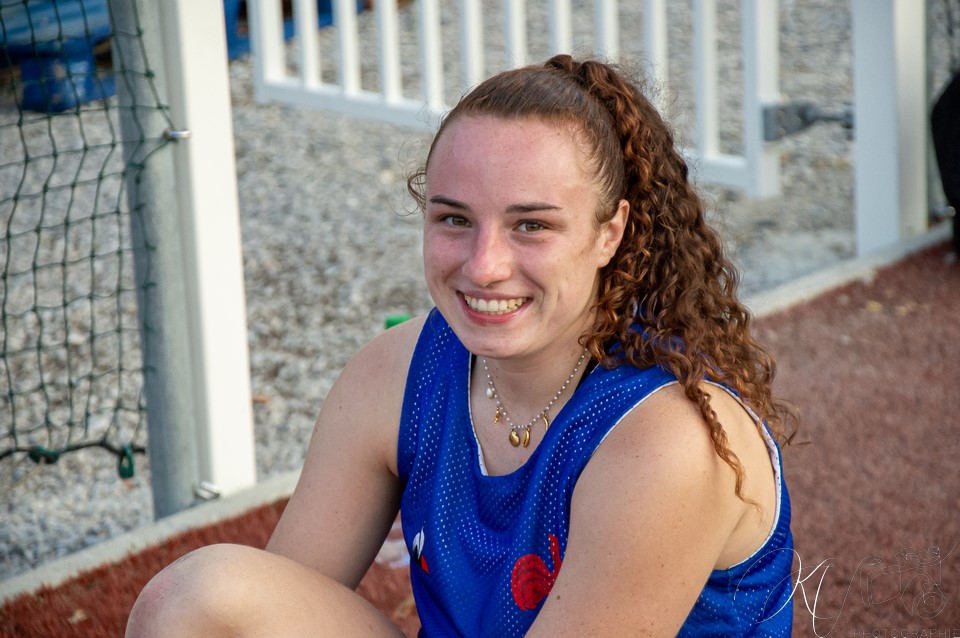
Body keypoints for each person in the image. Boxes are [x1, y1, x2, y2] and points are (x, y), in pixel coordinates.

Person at [126, 54, 797, 637]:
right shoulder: (398, 374)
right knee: (195, 602)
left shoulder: (665, 441)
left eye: (530, 225)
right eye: (454, 219)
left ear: (609, 233)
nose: (482, 266)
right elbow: (273, 605)